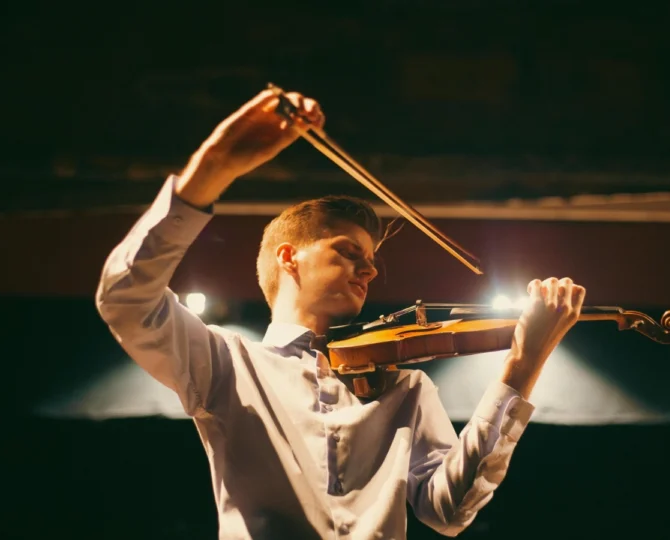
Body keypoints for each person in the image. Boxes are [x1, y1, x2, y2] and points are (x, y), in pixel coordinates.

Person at [95, 88, 586, 539]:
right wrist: (212, 171)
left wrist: (523, 366)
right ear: (290, 258)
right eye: (349, 252)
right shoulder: (226, 363)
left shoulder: (405, 388)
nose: (369, 271)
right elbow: (125, 297)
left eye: (371, 261)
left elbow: (448, 511)